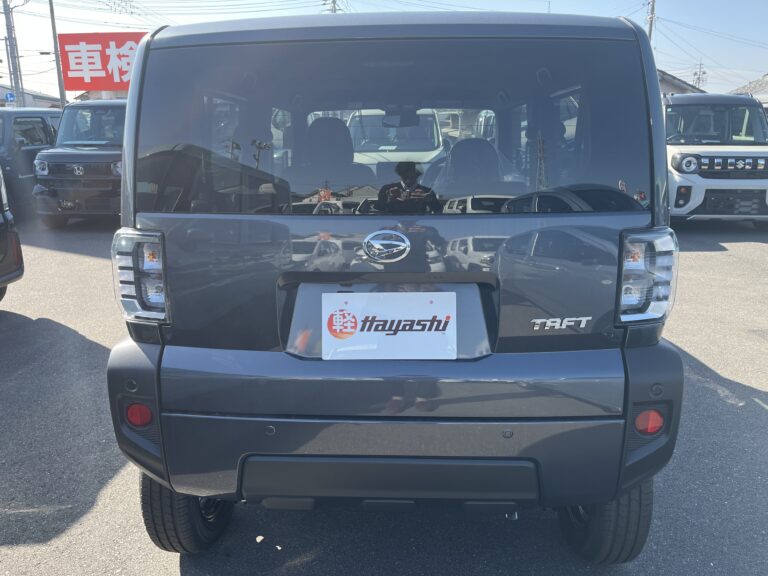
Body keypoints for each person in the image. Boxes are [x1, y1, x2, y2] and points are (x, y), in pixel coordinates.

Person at [375, 161, 442, 213]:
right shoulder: (387, 189)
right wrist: (389, 199)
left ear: (417, 175)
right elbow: (377, 210)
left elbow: (439, 211)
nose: (408, 178)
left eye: (412, 175)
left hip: (419, 224)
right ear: (400, 174)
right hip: (392, 223)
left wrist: (429, 200)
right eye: (405, 175)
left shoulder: (427, 192)